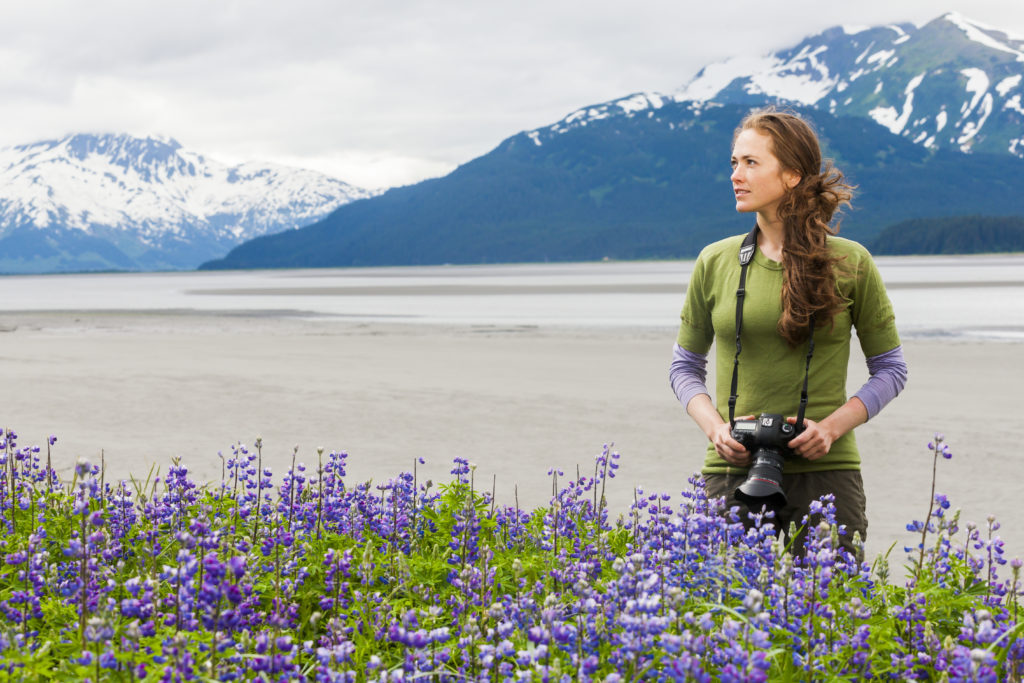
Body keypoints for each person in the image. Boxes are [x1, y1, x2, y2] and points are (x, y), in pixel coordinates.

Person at [669, 107, 907, 555]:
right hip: (731, 469)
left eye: (751, 163)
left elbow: (891, 369)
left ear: (793, 175)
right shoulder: (715, 262)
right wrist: (716, 429)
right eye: (734, 163)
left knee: (831, 615)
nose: (736, 175)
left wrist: (831, 429)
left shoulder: (851, 262)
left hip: (826, 471)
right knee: (720, 616)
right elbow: (684, 367)